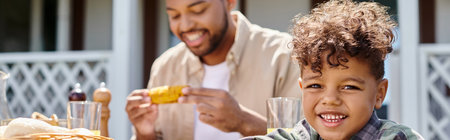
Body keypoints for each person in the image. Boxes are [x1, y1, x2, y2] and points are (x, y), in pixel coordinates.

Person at [244, 0, 424, 139]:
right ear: (301, 88)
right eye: (315, 86)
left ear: (379, 93)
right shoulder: (299, 135)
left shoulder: (396, 137)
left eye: (349, 87)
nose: (330, 100)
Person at [125, 0, 301, 139]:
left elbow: (310, 136)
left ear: (229, 2)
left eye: (198, 10)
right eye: (174, 15)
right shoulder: (165, 67)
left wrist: (243, 122)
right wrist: (145, 133)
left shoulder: (284, 56)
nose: (185, 26)